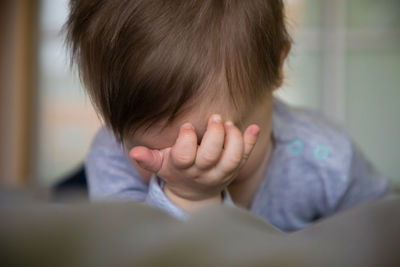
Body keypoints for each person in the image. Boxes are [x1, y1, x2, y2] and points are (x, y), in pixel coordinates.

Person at [64, 0, 391, 232]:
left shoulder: (324, 157)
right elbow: (138, 254)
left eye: (210, 143)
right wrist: (188, 198)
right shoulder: (113, 156)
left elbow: (383, 227)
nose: (183, 163)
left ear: (277, 66)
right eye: (153, 150)